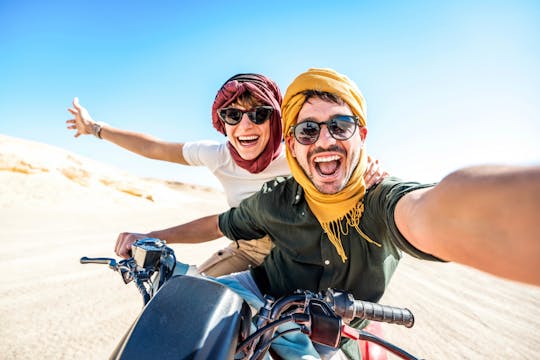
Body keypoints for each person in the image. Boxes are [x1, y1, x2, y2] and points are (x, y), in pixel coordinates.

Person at [115, 68, 540, 359]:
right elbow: (220, 223)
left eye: (341, 125)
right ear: (294, 144)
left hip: (338, 327)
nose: (324, 140)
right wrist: (153, 234)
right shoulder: (278, 197)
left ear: (362, 135)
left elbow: (437, 210)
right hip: (258, 293)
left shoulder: (378, 201)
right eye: (308, 129)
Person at [66, 73, 387, 277]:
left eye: (259, 115)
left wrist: (371, 173)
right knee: (187, 304)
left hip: (305, 257)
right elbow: (156, 149)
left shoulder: (299, 153)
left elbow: (346, 158)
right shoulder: (217, 155)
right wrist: (94, 129)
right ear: (222, 123)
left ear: (276, 121)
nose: (245, 126)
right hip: (247, 249)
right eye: (232, 115)